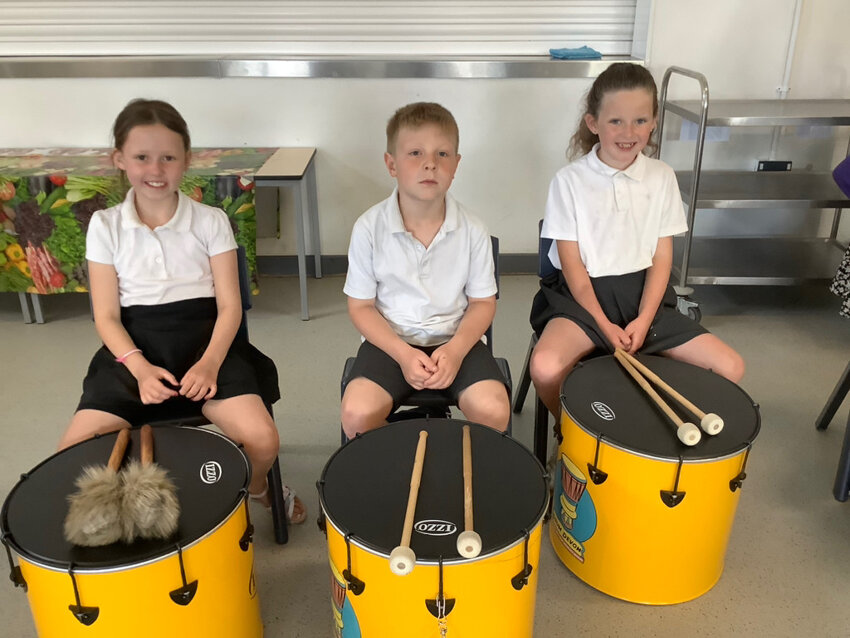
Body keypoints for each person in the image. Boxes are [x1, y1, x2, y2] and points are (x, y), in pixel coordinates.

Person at [58, 98, 305, 524]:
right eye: (142, 158)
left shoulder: (210, 221)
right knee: (71, 457)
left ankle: (259, 488)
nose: (156, 170)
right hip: (133, 351)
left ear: (186, 160)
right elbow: (107, 318)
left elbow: (229, 308)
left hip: (206, 344)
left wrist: (209, 365)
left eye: (168, 158)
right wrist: (139, 370)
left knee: (262, 441)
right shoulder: (105, 226)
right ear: (120, 159)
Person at [529, 63, 745, 418]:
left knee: (731, 367)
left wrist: (644, 320)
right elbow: (572, 268)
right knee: (546, 366)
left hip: (645, 299)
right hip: (584, 301)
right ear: (593, 123)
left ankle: (653, 438)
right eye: (615, 121)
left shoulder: (661, 177)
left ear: (655, 121)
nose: (628, 132)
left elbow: (662, 261)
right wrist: (603, 324)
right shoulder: (568, 181)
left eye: (640, 121)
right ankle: (570, 437)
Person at [341, 102, 510, 438]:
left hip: (456, 338)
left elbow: (482, 303)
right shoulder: (368, 227)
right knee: (357, 413)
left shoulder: (473, 229)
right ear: (391, 164)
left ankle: (467, 479)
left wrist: (456, 349)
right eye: (415, 153)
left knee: (493, 409)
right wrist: (403, 354)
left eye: (443, 154)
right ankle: (395, 476)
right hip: (390, 343)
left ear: (456, 165)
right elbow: (360, 306)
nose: (430, 163)